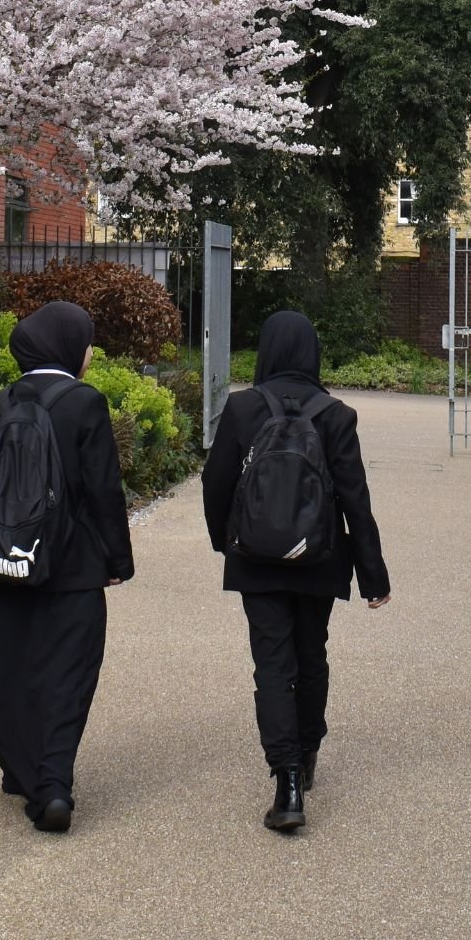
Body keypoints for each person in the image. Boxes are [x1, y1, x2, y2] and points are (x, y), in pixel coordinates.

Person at [203, 309, 390, 833]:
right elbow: (355, 500)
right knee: (311, 656)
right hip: (319, 558)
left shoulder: (242, 408)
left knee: (271, 665)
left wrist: (226, 542)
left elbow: (215, 483)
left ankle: (285, 783)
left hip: (255, 557)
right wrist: (373, 576)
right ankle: (306, 755)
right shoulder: (336, 415)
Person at [0, 300, 134, 833]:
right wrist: (117, 560)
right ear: (69, 346)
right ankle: (52, 784)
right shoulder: (85, 403)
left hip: (4, 565)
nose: (90, 353)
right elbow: (103, 490)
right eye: (87, 343)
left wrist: (11, 541)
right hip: (73, 569)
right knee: (66, 675)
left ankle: (21, 768)